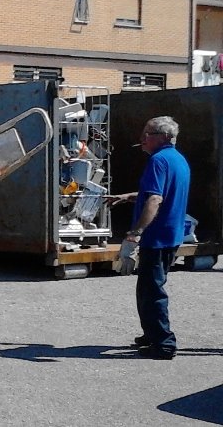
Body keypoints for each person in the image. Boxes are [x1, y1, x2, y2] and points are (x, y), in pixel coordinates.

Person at [111, 116, 190, 360]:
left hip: (157, 237)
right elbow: (155, 194)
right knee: (147, 288)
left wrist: (135, 233)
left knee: (152, 290)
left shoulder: (158, 160)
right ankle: (151, 333)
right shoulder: (177, 160)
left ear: (162, 137)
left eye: (147, 133)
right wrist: (130, 196)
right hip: (170, 234)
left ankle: (164, 343)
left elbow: (156, 200)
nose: (142, 139)